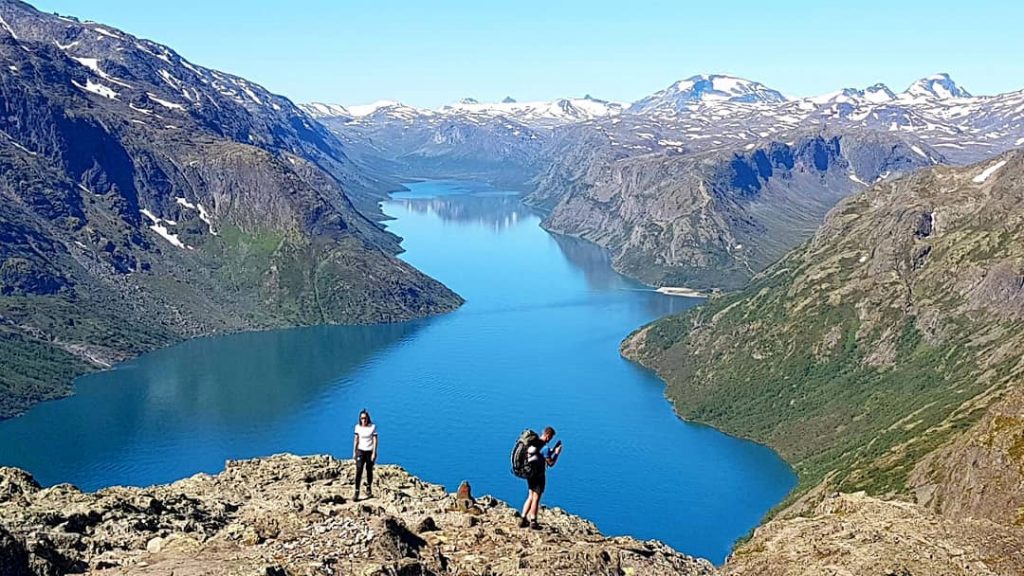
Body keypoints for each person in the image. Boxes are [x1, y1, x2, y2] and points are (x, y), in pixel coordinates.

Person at [520, 426, 562, 529]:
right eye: (550, 437)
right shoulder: (545, 448)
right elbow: (550, 463)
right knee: (536, 498)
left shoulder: (534, 444)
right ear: (547, 435)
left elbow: (542, 454)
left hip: (530, 474)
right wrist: (557, 453)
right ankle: (533, 521)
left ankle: (523, 518)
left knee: (530, 496)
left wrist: (553, 450)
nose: (550, 439)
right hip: (538, 476)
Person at [352, 409, 378, 501]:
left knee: (369, 470)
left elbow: (375, 440)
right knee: (359, 470)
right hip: (360, 451)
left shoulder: (372, 427)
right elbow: (356, 439)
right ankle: (356, 492)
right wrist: (354, 452)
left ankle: (369, 487)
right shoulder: (357, 427)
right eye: (362, 418)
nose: (364, 420)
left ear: (368, 418)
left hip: (369, 451)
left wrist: (374, 452)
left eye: (365, 418)